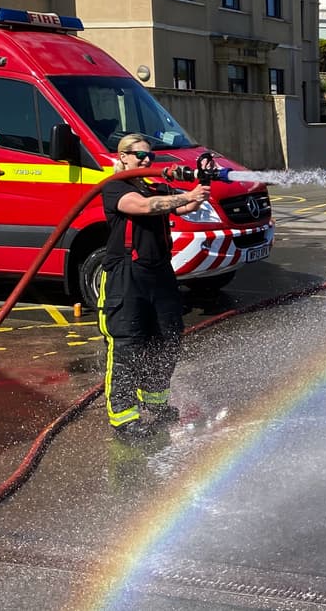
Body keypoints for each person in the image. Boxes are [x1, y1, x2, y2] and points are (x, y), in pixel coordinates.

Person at [98, 134, 211, 439]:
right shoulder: (115, 188)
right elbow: (146, 207)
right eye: (138, 155)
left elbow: (180, 208)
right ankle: (123, 419)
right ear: (122, 157)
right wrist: (186, 197)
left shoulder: (154, 186)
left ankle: (156, 403)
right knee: (127, 346)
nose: (146, 160)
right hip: (126, 276)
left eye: (149, 156)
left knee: (167, 339)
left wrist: (200, 191)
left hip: (160, 274)